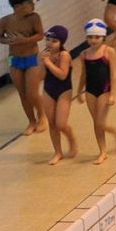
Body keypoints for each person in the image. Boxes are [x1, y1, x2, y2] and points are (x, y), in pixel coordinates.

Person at [0, 0, 46, 136]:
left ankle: (42, 116)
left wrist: (25, 40)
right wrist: (8, 40)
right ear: (18, 6)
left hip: (32, 57)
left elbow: (40, 35)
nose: (33, 4)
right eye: (29, 2)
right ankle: (31, 121)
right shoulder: (4, 22)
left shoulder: (34, 18)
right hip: (15, 59)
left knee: (32, 92)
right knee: (23, 93)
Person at [79, 20, 116, 165]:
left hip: (105, 90)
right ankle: (102, 152)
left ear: (103, 37)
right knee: (96, 123)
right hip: (90, 90)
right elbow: (83, 75)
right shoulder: (84, 54)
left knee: (100, 122)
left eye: (96, 37)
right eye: (90, 37)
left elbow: (113, 75)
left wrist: (113, 94)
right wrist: (79, 92)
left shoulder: (108, 51)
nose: (93, 40)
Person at [40, 26, 79, 165]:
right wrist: (40, 63)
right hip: (48, 89)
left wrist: (47, 62)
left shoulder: (64, 55)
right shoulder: (44, 54)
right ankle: (58, 152)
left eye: (54, 41)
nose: (50, 43)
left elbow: (62, 75)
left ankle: (71, 139)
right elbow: (41, 76)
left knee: (61, 123)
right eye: (48, 39)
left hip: (64, 90)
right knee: (52, 123)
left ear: (61, 43)